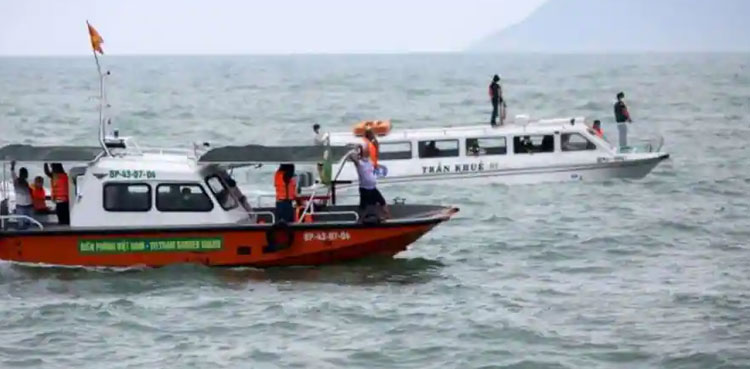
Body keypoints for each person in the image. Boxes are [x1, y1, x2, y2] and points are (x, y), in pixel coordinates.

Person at [350, 145, 389, 222]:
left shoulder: (370, 161)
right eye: (365, 152)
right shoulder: (360, 163)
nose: (367, 153)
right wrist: (356, 149)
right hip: (364, 188)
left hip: (373, 187)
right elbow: (352, 156)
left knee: (382, 202)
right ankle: (360, 220)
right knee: (364, 206)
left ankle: (387, 217)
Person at [10, 161, 32, 230]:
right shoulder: (17, 181)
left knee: (29, 223)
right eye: (25, 173)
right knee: (21, 224)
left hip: (29, 205)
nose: (27, 174)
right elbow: (13, 174)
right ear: (22, 174)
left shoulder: (26, 182)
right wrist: (12, 167)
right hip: (21, 205)